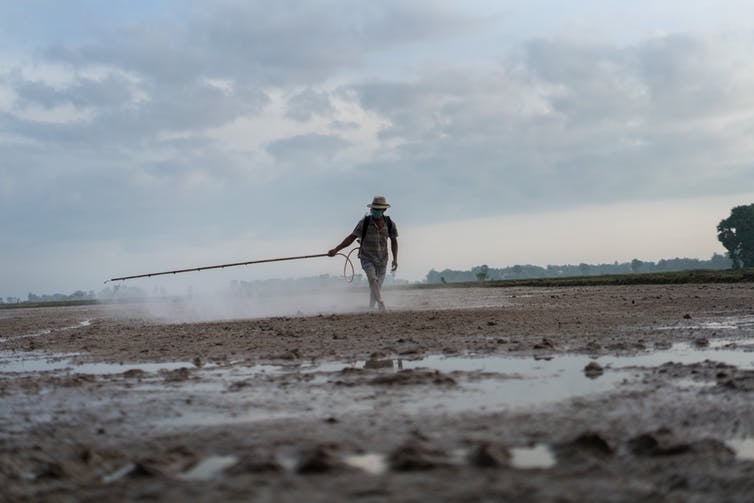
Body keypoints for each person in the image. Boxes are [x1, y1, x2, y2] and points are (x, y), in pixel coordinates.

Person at [328, 196, 398, 311]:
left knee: (376, 286)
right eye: (374, 209)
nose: (375, 211)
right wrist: (336, 250)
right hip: (367, 257)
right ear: (371, 209)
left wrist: (395, 259)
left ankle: (371, 307)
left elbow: (394, 242)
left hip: (382, 259)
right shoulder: (364, 223)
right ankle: (380, 302)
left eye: (378, 209)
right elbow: (351, 237)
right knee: (372, 279)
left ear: (384, 210)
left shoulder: (390, 224)